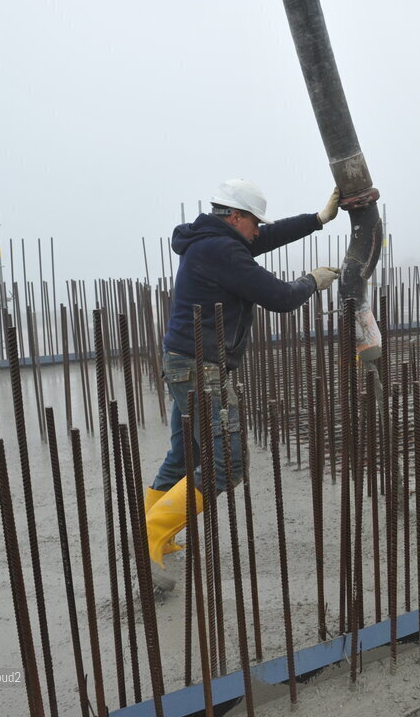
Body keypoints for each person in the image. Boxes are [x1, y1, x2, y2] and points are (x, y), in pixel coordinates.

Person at [144, 178, 341, 589]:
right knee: (226, 463)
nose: (258, 230)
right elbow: (281, 298)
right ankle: (149, 535)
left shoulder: (212, 240)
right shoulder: (221, 249)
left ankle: (151, 531)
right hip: (201, 370)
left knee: (184, 457)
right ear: (235, 217)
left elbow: (262, 238)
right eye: (253, 222)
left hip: (185, 362)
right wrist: (312, 281)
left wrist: (318, 220)